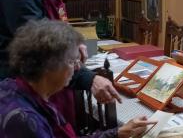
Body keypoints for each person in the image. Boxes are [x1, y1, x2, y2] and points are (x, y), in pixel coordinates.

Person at [0, 0, 120, 126]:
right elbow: (44, 52)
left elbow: (51, 22)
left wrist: (73, 40)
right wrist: (90, 79)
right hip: (23, 91)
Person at [0, 20, 157, 137]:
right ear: (49, 66)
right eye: (72, 61)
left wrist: (119, 132)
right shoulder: (24, 120)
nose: (77, 68)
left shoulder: (16, 88)